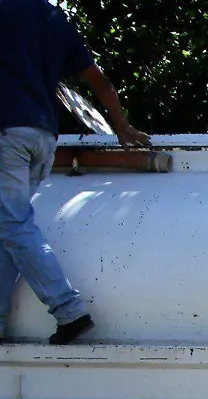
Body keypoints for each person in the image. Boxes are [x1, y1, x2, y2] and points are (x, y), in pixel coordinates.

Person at [0, 0, 149, 345]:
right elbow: (98, 78)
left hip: (8, 132)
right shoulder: (54, 18)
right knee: (8, 228)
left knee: (14, 224)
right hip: (43, 137)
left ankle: (69, 310)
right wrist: (121, 125)